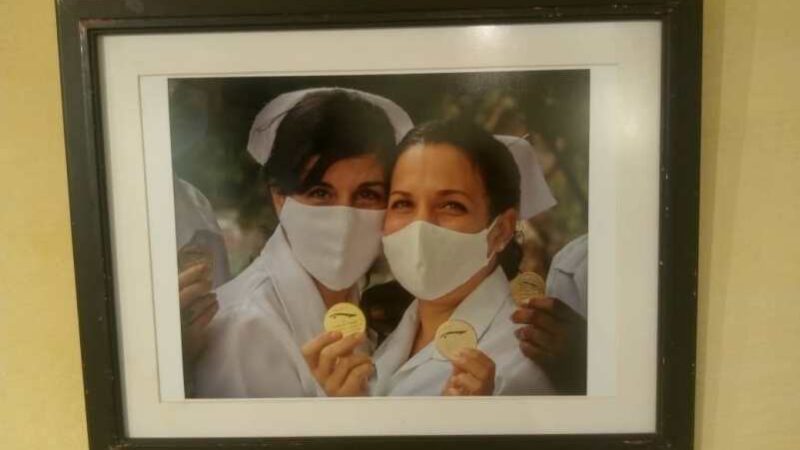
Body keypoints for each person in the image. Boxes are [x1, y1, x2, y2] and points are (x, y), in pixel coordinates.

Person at [192, 88, 413, 398]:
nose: (345, 220)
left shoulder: (366, 307)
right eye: (321, 193)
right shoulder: (242, 328)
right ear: (279, 197)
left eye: (367, 195)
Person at [370, 120, 555, 396]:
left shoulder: (518, 368)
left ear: (501, 231)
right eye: (403, 203)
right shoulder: (387, 335)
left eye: (451, 205)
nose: (420, 227)